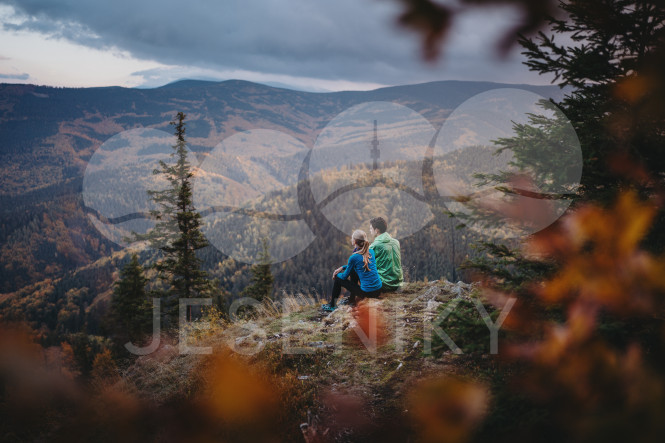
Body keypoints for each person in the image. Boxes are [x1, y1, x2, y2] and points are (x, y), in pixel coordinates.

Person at [322, 230, 382, 311]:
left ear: (354, 241)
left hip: (368, 293)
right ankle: (352, 300)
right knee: (353, 270)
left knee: (338, 278)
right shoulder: (371, 251)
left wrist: (337, 274)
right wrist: (343, 267)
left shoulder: (354, 257)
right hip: (378, 289)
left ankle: (332, 305)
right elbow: (359, 265)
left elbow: (344, 277)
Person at [369, 217, 403, 291]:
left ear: (377, 230)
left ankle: (355, 297)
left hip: (384, 284)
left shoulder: (374, 245)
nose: (370, 230)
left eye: (371, 228)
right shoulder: (396, 242)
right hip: (398, 283)